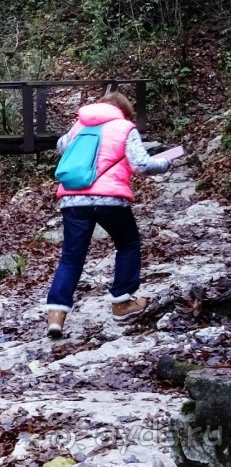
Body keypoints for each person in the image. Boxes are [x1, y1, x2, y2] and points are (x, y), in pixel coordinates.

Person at [46, 91, 172, 339]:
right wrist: (165, 163)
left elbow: (61, 147)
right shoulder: (125, 127)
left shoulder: (79, 124)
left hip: (73, 199)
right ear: (124, 111)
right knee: (127, 244)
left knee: (71, 258)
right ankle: (122, 303)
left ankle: (56, 317)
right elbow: (141, 165)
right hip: (110, 199)